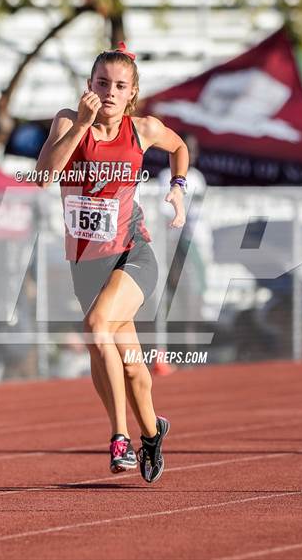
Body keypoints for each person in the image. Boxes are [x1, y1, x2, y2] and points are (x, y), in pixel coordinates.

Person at [34, 42, 188, 484]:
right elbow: (44, 175)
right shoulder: (68, 121)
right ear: (89, 86)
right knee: (133, 367)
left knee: (96, 326)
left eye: (120, 86)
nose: (110, 92)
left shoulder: (142, 129)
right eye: (102, 83)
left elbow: (178, 148)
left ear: (132, 93)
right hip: (86, 263)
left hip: (132, 253)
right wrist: (81, 125)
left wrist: (177, 187)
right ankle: (153, 430)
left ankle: (119, 438)